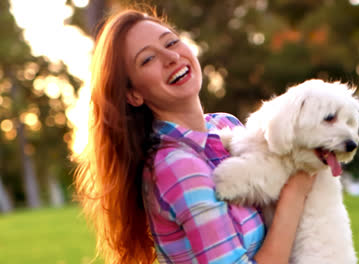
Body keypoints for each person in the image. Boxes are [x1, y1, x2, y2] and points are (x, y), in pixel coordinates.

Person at [74, 8, 317, 264]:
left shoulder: (225, 125)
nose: (170, 57)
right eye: (147, 59)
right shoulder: (175, 166)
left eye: (171, 42)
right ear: (133, 95)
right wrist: (296, 192)